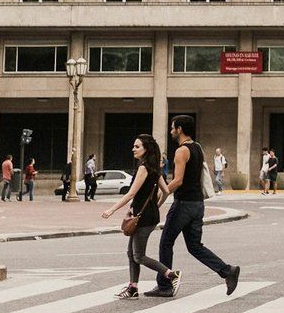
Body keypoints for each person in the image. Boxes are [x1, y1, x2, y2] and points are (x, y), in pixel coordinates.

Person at [147, 115, 240, 299]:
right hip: (198, 204)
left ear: (180, 129)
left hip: (184, 204)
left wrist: (160, 192)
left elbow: (178, 180)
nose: (171, 130)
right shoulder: (197, 147)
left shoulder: (181, 151)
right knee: (194, 246)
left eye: (173, 128)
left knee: (166, 242)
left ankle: (165, 284)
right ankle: (227, 271)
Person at [102, 133, 175, 299]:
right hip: (147, 215)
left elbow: (131, 194)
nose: (133, 149)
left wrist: (112, 210)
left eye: (137, 146)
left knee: (139, 255)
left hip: (144, 217)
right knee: (131, 253)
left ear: (146, 149)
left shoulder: (144, 168)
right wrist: (156, 206)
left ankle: (171, 274)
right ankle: (133, 287)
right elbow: (166, 191)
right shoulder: (155, 168)